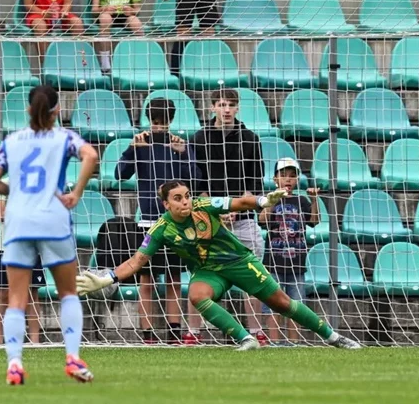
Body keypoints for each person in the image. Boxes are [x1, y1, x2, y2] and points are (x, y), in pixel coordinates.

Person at [76, 181, 360, 351]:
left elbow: (238, 202)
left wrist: (262, 200)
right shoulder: (161, 229)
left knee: (282, 303)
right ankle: (245, 339)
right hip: (208, 271)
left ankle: (333, 337)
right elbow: (138, 261)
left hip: (238, 261)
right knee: (196, 294)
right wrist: (108, 277)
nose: (185, 201)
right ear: (165, 204)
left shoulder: (203, 205)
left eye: (187, 195)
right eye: (178, 198)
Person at [0, 85, 99, 384]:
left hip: (18, 222)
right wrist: (76, 191)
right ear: (57, 110)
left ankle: (14, 364)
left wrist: (16, 191)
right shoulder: (64, 137)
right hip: (53, 220)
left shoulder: (11, 141)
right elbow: (91, 155)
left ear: (27, 109)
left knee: (16, 300)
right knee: (68, 293)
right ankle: (72, 358)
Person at [115, 98, 201, 344]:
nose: (159, 127)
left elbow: (195, 178)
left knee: (174, 278)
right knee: (147, 279)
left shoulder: (179, 145)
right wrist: (133, 150)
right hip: (149, 222)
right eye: (155, 122)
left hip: (175, 222)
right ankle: (148, 335)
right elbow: (119, 175)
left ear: (170, 121)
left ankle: (174, 333)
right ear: (148, 120)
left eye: (163, 123)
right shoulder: (141, 144)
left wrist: (184, 155)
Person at [191, 88, 266, 345]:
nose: (226, 109)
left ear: (237, 108)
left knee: (254, 275)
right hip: (208, 219)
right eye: (221, 104)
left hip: (243, 218)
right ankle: (194, 332)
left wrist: (235, 207)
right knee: (200, 272)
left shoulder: (250, 139)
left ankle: (257, 332)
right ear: (212, 107)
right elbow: (195, 180)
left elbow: (255, 180)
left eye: (231, 104)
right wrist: (214, 209)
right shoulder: (199, 139)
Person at [259, 158, 319, 344]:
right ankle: (275, 342)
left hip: (297, 262)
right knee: (272, 304)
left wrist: (314, 199)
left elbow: (315, 221)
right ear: (275, 178)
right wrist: (271, 201)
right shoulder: (269, 198)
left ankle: (293, 343)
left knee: (296, 305)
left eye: (292, 176)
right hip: (273, 262)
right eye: (283, 175)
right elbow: (262, 220)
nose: (288, 180)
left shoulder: (301, 200)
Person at [0, 177, 44, 346]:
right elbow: (0, 215)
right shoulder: (3, 183)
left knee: (32, 295)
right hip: (6, 247)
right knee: (4, 295)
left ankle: (35, 341)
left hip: (31, 247)